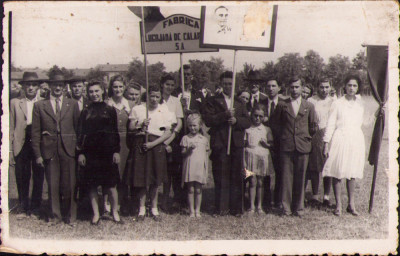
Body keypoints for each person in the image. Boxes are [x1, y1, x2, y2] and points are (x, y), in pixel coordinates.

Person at [31, 73, 80, 225]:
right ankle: (55, 216)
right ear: (50, 87)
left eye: (60, 85)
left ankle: (71, 216)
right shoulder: (40, 105)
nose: (57, 88)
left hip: (68, 149)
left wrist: (79, 151)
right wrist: (38, 155)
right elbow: (35, 132)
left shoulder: (72, 104)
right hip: (49, 149)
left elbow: (78, 129)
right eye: (54, 85)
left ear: (64, 87)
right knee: (52, 184)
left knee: (69, 184)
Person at [203, 71, 251, 216]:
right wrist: (225, 115)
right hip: (220, 143)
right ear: (221, 84)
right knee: (220, 175)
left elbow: (247, 121)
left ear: (234, 84)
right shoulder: (212, 100)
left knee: (236, 176)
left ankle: (236, 208)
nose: (227, 86)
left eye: (230, 83)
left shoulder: (240, 102)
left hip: (236, 144)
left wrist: (236, 121)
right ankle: (221, 208)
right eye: (225, 83)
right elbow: (208, 120)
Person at [128, 85, 176, 221]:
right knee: (142, 179)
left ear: (160, 97)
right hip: (141, 145)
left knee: (155, 179)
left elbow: (168, 132)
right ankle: (142, 209)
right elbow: (131, 127)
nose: (154, 99)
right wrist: (140, 124)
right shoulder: (138, 109)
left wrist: (153, 144)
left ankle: (154, 208)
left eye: (157, 96)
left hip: (156, 145)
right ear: (147, 96)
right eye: (151, 96)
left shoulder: (164, 110)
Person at [271, 76, 317, 217]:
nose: (294, 90)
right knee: (286, 177)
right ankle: (286, 208)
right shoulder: (282, 104)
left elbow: (313, 126)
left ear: (302, 88)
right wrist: (285, 136)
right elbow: (275, 124)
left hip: (303, 146)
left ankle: (299, 208)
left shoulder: (309, 106)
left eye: (297, 87)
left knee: (301, 177)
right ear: (288, 88)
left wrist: (304, 137)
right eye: (292, 87)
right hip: (287, 146)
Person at [77, 80, 121, 225]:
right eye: (91, 92)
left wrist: (116, 151)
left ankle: (115, 212)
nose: (94, 94)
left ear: (102, 91)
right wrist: (81, 153)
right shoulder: (85, 111)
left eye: (97, 91)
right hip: (91, 153)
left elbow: (115, 132)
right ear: (88, 94)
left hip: (107, 152)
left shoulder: (110, 110)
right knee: (92, 185)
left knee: (111, 185)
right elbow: (81, 134)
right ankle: (96, 214)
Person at [322, 74, 365, 216]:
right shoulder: (337, 103)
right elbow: (331, 124)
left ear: (358, 87)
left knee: (352, 173)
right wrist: (326, 143)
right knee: (338, 172)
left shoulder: (360, 104)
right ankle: (338, 205)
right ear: (345, 86)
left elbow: (365, 123)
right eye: (349, 85)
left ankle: (351, 205)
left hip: (355, 139)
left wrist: (379, 114)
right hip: (340, 138)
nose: (352, 88)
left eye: (354, 85)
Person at [10, 72, 45, 217]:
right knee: (22, 175)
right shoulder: (15, 102)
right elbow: (11, 126)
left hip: (37, 141)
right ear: (23, 86)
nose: (30, 88)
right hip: (22, 141)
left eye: (34, 85)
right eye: (28, 85)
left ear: (38, 87)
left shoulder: (43, 101)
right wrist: (10, 150)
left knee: (38, 174)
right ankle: (23, 206)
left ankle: (35, 207)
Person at [106, 75, 135, 215]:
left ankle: (122, 204)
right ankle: (107, 204)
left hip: (126, 142)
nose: (118, 89)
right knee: (110, 173)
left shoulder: (130, 104)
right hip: (110, 142)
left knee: (123, 174)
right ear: (111, 88)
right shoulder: (106, 103)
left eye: (120, 87)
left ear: (124, 88)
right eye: (115, 86)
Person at [305, 78, 335, 207]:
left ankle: (326, 196)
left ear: (330, 87)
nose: (324, 90)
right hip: (316, 134)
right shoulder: (311, 101)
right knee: (315, 166)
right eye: (322, 87)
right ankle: (315, 195)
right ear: (317, 87)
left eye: (327, 87)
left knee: (328, 166)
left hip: (330, 134)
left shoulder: (334, 102)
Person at [159, 74, 185, 213]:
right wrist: (162, 142)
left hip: (173, 139)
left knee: (173, 171)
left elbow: (179, 121)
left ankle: (175, 200)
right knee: (162, 172)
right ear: (162, 84)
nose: (169, 87)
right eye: (166, 84)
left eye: (172, 85)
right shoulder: (157, 99)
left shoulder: (176, 101)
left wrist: (171, 138)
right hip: (158, 138)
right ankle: (162, 199)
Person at [243, 104, 274, 214]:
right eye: (255, 115)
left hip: (262, 157)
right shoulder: (247, 129)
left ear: (264, 117)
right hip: (250, 156)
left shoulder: (266, 129)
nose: (257, 118)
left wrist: (266, 144)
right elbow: (244, 145)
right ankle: (251, 206)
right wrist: (244, 160)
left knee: (260, 182)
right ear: (251, 115)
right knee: (252, 181)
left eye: (260, 116)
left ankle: (259, 206)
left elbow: (271, 145)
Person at [180, 113, 210, 218]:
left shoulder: (204, 139)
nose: (192, 128)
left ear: (200, 125)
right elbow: (183, 153)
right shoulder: (185, 138)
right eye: (190, 126)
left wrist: (205, 169)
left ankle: (198, 210)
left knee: (198, 189)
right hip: (190, 166)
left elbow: (206, 154)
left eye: (195, 125)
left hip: (199, 167)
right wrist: (189, 149)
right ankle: (191, 211)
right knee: (190, 189)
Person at [264, 76, 285, 209]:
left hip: (279, 142)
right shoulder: (260, 102)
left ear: (279, 88)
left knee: (280, 171)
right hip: (263, 141)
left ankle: (278, 200)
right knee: (264, 170)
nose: (271, 89)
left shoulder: (284, 103)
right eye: (268, 86)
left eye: (273, 86)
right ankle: (265, 200)